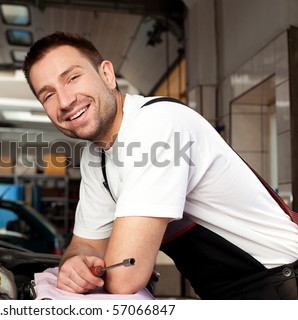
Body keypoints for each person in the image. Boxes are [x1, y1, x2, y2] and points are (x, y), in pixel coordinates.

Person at [22, 31, 298, 299]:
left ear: (106, 74)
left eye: (72, 78)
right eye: (48, 95)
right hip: (230, 291)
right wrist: (74, 264)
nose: (65, 101)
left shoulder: (156, 125)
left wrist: (108, 264)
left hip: (282, 283)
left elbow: (126, 274)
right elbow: (87, 243)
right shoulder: (97, 156)